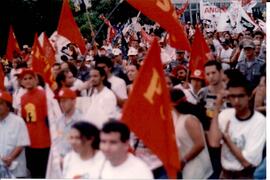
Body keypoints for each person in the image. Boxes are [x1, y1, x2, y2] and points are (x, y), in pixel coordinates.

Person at [208, 76, 266, 179]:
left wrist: (227, 140)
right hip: (225, 174)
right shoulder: (225, 115)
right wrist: (217, 107)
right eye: (232, 96)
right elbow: (213, 143)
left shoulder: (259, 121)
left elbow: (247, 163)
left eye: (241, 96)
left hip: (245, 175)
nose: (236, 101)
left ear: (249, 96)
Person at [170, 88, 213, 179]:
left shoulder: (190, 119)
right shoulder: (174, 117)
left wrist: (184, 160)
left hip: (196, 167)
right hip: (183, 167)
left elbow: (200, 144)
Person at [46, 87, 84, 178]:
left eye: (65, 101)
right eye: (60, 101)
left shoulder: (82, 120)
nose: (62, 104)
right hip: (60, 163)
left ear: (74, 101)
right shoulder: (59, 120)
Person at [19, 69, 51, 178]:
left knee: (44, 172)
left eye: (30, 78)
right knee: (33, 172)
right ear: (21, 82)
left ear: (36, 80)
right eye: (25, 79)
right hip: (29, 141)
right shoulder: (22, 98)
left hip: (44, 141)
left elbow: (50, 118)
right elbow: (23, 119)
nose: (28, 81)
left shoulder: (44, 95)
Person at [0, 90, 30, 178]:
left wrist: (10, 158)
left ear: (8, 106)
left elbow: (21, 143)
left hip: (15, 170)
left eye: (1, 103)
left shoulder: (18, 121)